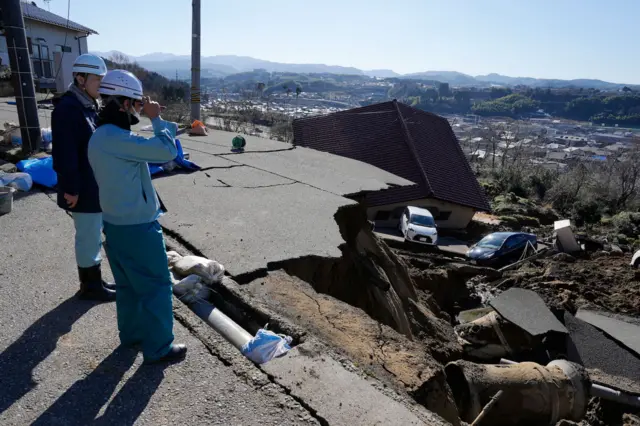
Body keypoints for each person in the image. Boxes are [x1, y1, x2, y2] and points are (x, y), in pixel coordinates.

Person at [87, 69, 186, 364]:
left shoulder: (102, 135)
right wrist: (156, 118)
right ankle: (158, 348)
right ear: (122, 104)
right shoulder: (116, 138)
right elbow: (167, 152)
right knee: (156, 285)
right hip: (138, 227)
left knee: (128, 285)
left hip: (115, 223)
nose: (138, 108)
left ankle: (131, 335)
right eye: (135, 103)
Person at [51, 54, 116, 301]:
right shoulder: (68, 109)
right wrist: (71, 189)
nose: (101, 83)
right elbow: (64, 153)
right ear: (80, 78)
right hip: (81, 188)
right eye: (97, 79)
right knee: (88, 237)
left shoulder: (87, 104)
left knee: (92, 235)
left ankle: (95, 280)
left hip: (92, 185)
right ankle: (89, 288)